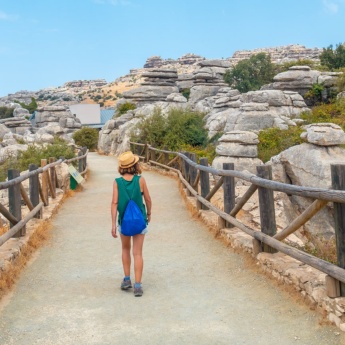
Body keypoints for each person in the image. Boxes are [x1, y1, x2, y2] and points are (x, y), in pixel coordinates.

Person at [111, 151, 152, 297]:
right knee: (138, 253)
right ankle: (138, 285)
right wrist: (148, 213)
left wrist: (113, 224)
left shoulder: (117, 182)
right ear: (135, 164)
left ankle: (127, 279)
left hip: (124, 221)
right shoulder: (140, 180)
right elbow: (148, 199)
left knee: (125, 249)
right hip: (140, 220)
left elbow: (114, 203)